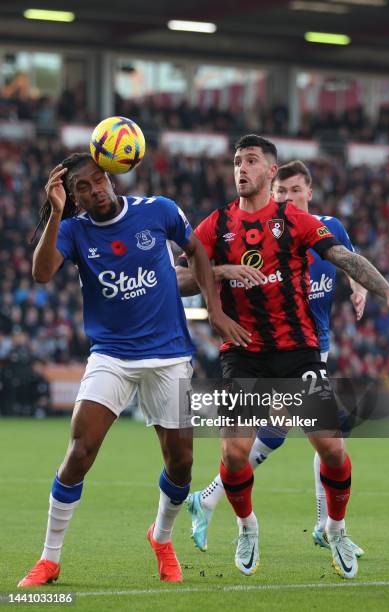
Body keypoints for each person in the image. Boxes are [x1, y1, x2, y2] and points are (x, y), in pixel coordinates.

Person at [176, 134, 389, 579]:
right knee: (233, 454)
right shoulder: (216, 225)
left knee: (331, 447)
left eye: (250, 161)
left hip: (298, 353)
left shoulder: (295, 220)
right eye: (236, 161)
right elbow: (178, 276)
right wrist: (221, 273)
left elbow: (344, 257)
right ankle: (248, 528)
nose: (240, 169)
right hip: (243, 354)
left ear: (270, 171)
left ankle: (337, 530)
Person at [18, 152, 250, 588]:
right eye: (81, 189)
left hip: (169, 354)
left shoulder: (158, 211)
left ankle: (161, 538)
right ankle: (49, 559)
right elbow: (42, 272)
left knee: (181, 464)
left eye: (98, 180)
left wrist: (215, 312)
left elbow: (196, 251)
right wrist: (53, 212)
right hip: (112, 356)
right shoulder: (72, 230)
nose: (94, 190)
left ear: (110, 175)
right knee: (79, 453)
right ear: (75, 199)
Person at [185, 159, 368, 559]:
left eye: (295, 191)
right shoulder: (272, 234)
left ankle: (210, 499)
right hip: (278, 351)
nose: (287, 198)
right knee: (326, 433)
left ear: (310, 192)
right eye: (281, 192)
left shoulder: (327, 229)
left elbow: (349, 260)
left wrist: (360, 288)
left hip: (311, 348)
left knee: (289, 434)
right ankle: (325, 525)